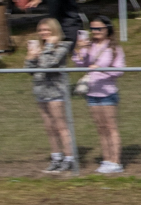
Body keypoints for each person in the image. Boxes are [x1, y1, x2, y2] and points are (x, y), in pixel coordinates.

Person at [73, 15, 125, 174]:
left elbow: (120, 70)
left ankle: (116, 161)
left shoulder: (114, 48)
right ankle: (106, 159)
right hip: (92, 92)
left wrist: (99, 69)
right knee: (101, 128)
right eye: (93, 28)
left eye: (99, 28)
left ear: (107, 29)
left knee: (110, 127)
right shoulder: (90, 46)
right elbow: (79, 63)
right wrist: (79, 48)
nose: (95, 31)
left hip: (107, 92)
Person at [25, 18, 73, 175]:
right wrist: (30, 58)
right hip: (41, 91)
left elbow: (48, 64)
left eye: (46, 30)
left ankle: (69, 158)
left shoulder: (62, 46)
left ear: (54, 30)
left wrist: (49, 46)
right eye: (40, 30)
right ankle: (56, 157)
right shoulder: (41, 47)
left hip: (56, 92)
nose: (43, 33)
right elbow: (30, 71)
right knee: (49, 127)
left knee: (61, 126)